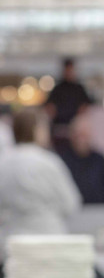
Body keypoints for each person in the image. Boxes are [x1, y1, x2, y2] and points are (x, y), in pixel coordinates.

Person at [0, 108, 82, 256]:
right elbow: (71, 204)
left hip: (11, 245)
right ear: (36, 129)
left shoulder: (3, 163)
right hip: (49, 242)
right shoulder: (49, 162)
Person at [57, 113, 104, 204]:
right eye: (78, 134)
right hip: (73, 211)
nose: (81, 139)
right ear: (71, 135)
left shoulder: (100, 160)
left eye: (84, 134)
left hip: (99, 210)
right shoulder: (62, 161)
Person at [44, 57, 93, 149]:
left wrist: (78, 123)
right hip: (59, 128)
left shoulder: (79, 89)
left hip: (75, 130)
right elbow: (49, 107)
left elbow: (85, 106)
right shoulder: (57, 89)